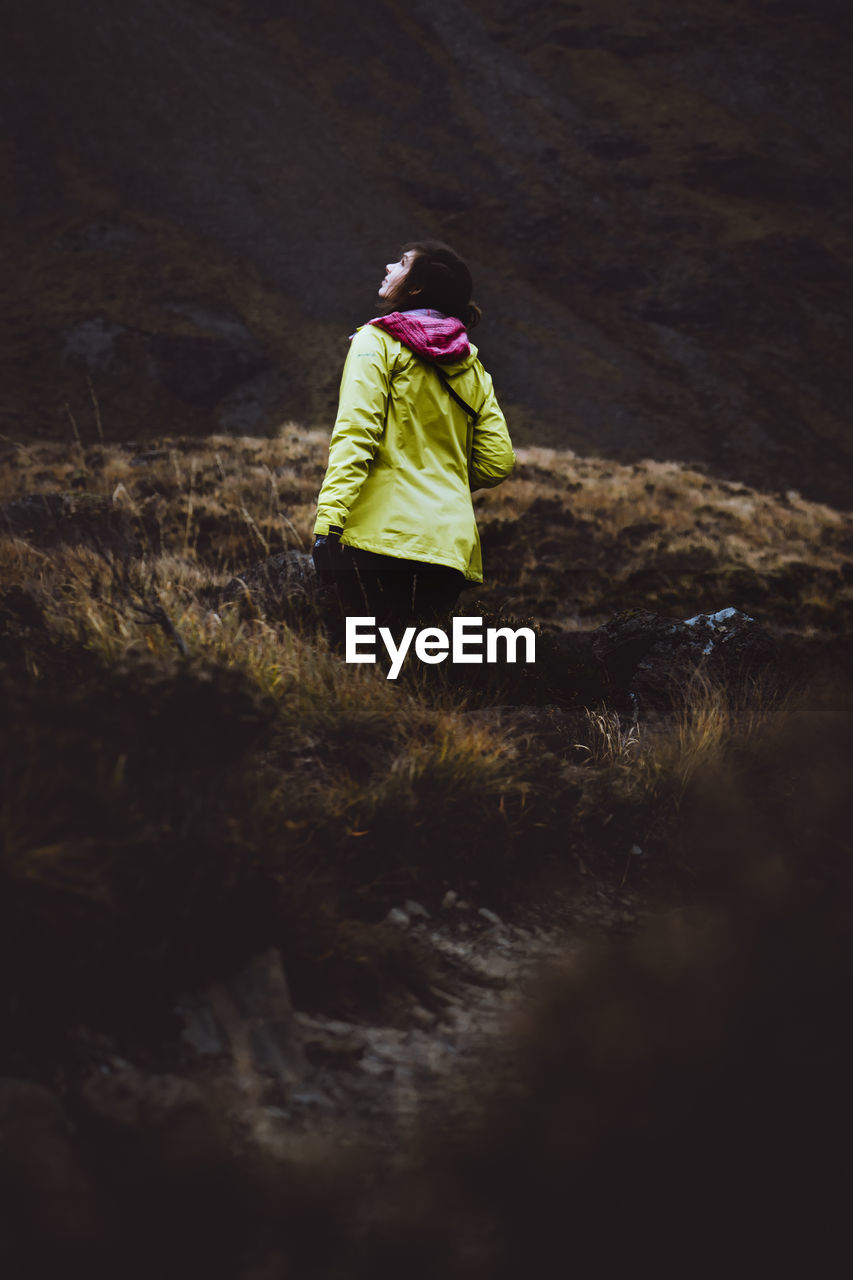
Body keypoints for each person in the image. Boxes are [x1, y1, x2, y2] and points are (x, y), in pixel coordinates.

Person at [312, 239, 515, 639]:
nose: (389, 266)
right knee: (421, 670)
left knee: (368, 668)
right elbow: (498, 461)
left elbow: (357, 433)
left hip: (380, 537)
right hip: (448, 544)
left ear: (417, 287)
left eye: (402, 263)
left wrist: (329, 521)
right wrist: (442, 479)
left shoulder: (376, 343)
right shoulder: (472, 364)